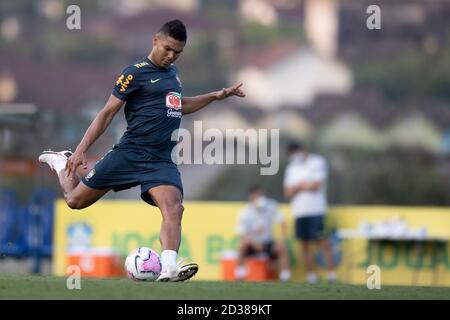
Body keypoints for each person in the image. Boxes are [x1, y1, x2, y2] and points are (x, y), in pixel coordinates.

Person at [38, 20, 245, 282]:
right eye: (168, 49)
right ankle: (62, 162)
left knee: (174, 208)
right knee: (75, 201)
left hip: (160, 160)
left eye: (178, 52)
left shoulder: (173, 74)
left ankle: (169, 266)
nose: (171, 56)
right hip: (129, 153)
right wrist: (81, 150)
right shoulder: (134, 73)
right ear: (155, 40)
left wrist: (215, 96)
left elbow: (179, 106)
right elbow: (106, 114)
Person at [283, 142, 336, 284]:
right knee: (303, 244)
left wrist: (298, 186)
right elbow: (287, 191)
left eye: (296, 151)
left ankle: (331, 274)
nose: (295, 155)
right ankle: (311, 276)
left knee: (323, 242)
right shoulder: (291, 168)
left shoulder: (317, 161)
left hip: (316, 210)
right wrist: (303, 185)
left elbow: (316, 185)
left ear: (303, 149)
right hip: (299, 211)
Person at [235, 186, 291, 282]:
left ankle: (285, 278)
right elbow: (242, 234)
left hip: (268, 243)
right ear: (251, 197)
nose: (260, 198)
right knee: (241, 245)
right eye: (257, 195)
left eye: (261, 195)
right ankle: (240, 275)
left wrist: (280, 240)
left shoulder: (271, 206)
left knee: (282, 247)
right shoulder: (244, 212)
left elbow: (283, 223)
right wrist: (254, 243)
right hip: (252, 244)